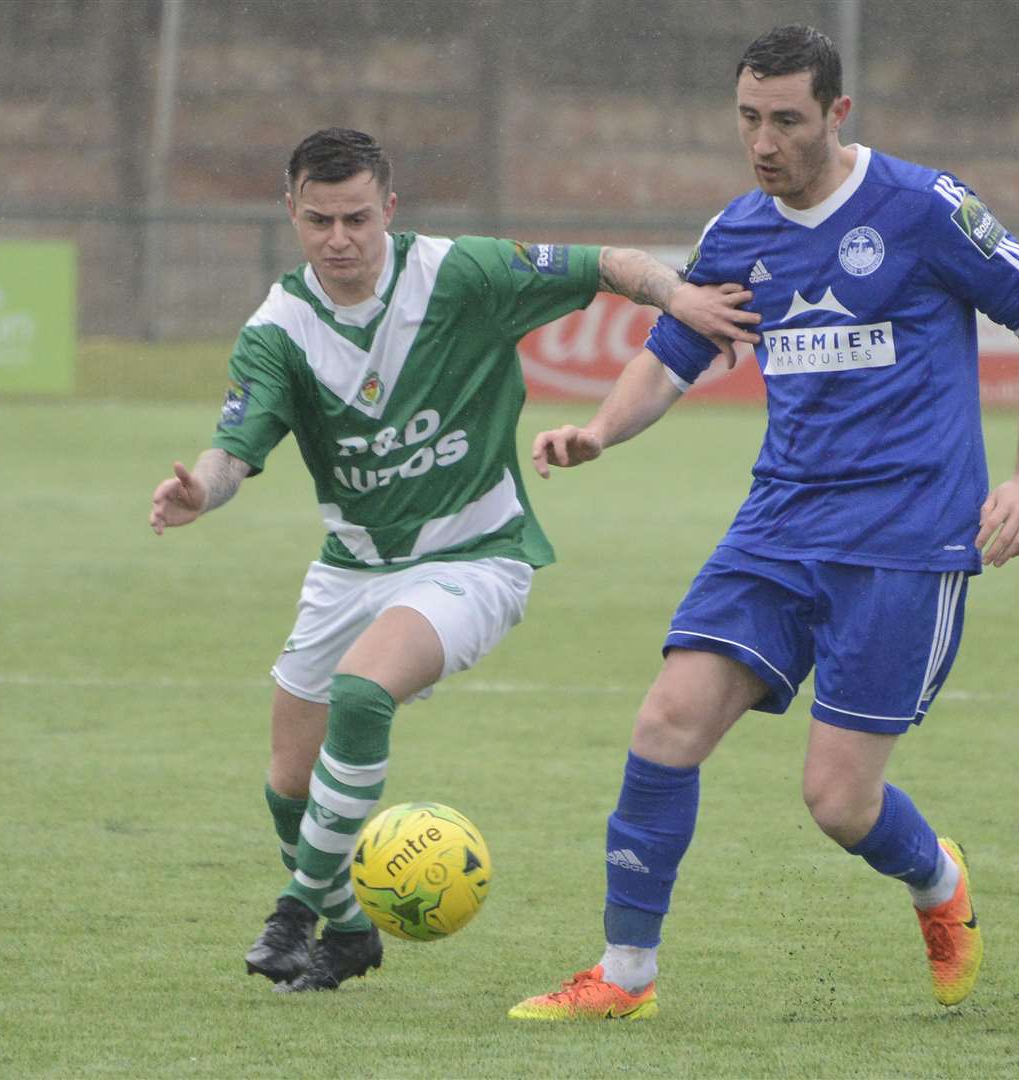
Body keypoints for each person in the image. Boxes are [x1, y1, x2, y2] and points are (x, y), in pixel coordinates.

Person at [509, 24, 1019, 1020]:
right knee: (665, 722)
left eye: (784, 121)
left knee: (836, 802)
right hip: (775, 530)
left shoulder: (921, 208)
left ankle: (936, 882)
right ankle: (624, 976)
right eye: (746, 118)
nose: (761, 142)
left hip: (903, 541)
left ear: (835, 114)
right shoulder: (739, 231)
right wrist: (599, 429)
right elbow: (671, 351)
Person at [148, 127, 760, 993]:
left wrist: (681, 298)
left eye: (357, 217)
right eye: (318, 219)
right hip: (349, 568)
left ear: (389, 209)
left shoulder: (461, 274)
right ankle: (351, 934)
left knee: (362, 693)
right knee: (289, 782)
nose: (339, 238)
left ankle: (292, 913)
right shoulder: (278, 329)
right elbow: (233, 449)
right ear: (290, 213)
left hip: (476, 557)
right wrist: (201, 493)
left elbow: (606, 263)